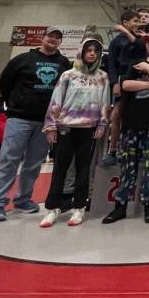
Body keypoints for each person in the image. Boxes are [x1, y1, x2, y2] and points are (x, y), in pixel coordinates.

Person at [0, 28, 71, 222]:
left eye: (57, 38)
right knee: (9, 159)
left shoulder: (63, 64)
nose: (53, 40)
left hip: (46, 121)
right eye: (51, 36)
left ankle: (23, 198)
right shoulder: (22, 60)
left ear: (60, 42)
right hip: (19, 118)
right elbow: (5, 83)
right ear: (43, 38)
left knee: (34, 162)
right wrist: (14, 103)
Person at [102, 28, 149, 225]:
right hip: (131, 124)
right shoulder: (135, 65)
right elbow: (126, 85)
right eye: (147, 40)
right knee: (127, 168)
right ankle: (120, 207)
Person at [40, 38, 109, 227]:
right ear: (82, 51)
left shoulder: (102, 77)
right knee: (60, 169)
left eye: (96, 51)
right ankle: (51, 208)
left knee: (83, 169)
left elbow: (104, 102)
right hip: (65, 128)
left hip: (88, 130)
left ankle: (79, 207)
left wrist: (102, 124)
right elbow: (56, 100)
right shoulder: (67, 75)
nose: (92, 53)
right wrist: (50, 126)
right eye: (89, 50)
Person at [107, 9, 145, 155]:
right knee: (117, 114)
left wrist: (126, 31)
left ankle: (132, 147)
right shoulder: (116, 41)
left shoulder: (141, 38)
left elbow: (140, 47)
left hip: (138, 79)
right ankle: (113, 149)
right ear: (125, 22)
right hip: (122, 78)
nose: (138, 23)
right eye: (135, 21)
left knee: (135, 114)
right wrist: (114, 83)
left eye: (139, 21)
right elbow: (111, 64)